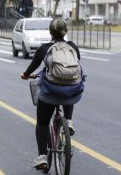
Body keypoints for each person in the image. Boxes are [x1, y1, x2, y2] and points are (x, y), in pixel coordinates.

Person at [21, 18, 81, 170]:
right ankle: (68, 121)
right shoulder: (73, 47)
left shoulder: (44, 49)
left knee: (42, 123)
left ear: (50, 32)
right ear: (65, 31)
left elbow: (32, 66)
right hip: (72, 92)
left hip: (50, 93)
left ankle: (42, 156)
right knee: (69, 88)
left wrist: (26, 74)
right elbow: (75, 69)